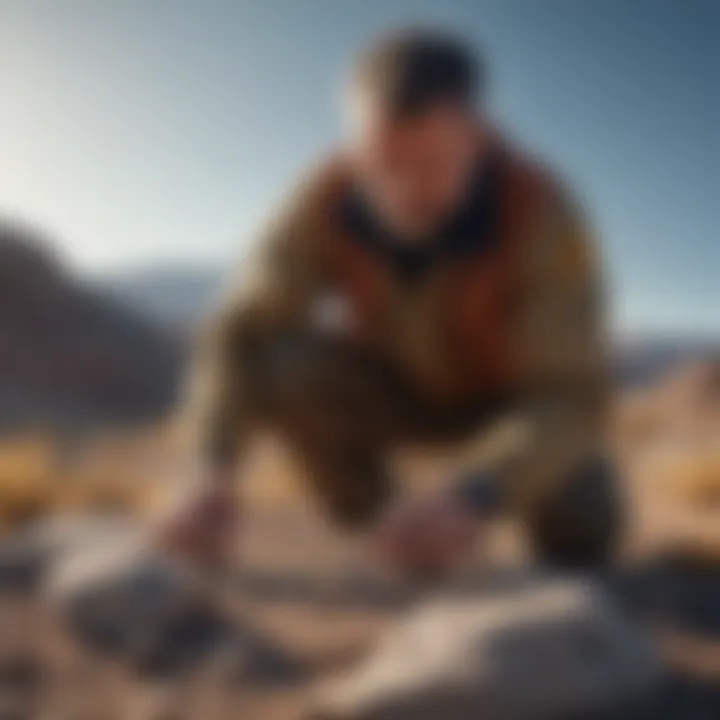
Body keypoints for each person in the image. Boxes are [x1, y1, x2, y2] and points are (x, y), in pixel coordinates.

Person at [161, 28, 622, 576]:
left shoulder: (542, 211)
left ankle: (473, 530)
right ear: (353, 139)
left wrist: (477, 494)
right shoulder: (324, 195)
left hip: (508, 408)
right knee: (285, 367)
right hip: (397, 387)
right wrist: (208, 466)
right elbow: (241, 331)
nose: (403, 189)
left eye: (430, 163)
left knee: (584, 528)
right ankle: (384, 530)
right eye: (380, 160)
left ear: (476, 137)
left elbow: (570, 395)